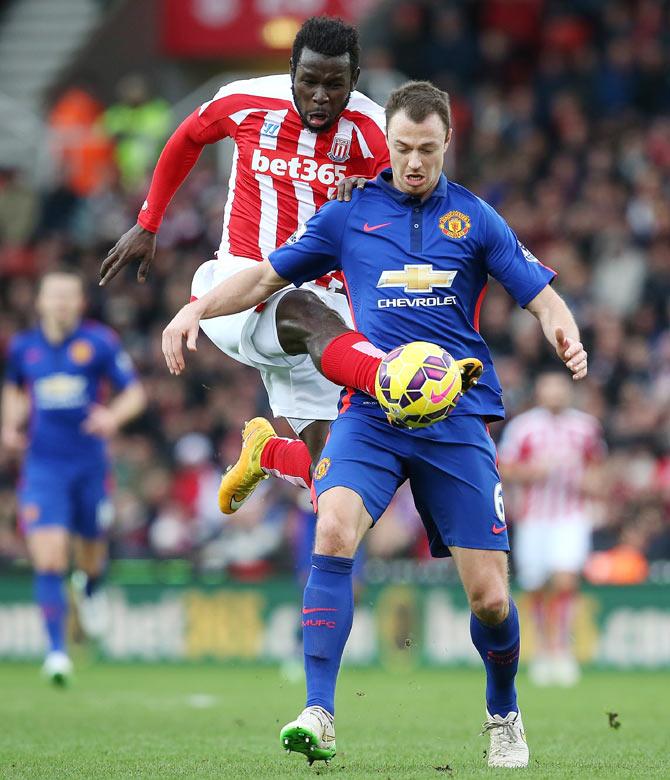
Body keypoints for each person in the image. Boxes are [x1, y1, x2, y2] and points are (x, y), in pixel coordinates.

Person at [162, 80, 589, 768]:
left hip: (455, 421)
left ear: (448, 142)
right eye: (401, 147)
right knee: (332, 528)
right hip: (373, 412)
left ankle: (503, 711)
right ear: (386, 142)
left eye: (426, 148)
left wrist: (565, 332)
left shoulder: (477, 219)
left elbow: (540, 295)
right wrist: (194, 310)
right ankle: (319, 710)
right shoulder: (347, 218)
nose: (413, 161)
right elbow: (265, 278)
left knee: (489, 599)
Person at [99, 16, 398, 515]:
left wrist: (372, 195)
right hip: (239, 292)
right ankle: (389, 378)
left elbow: (404, 206)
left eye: (335, 84)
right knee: (305, 309)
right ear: (291, 71)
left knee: (340, 492)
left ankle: (269, 454)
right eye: (310, 81)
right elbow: (186, 137)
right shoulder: (247, 100)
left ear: (356, 79)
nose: (321, 96)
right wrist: (149, 222)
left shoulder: (375, 130)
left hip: (327, 319)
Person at [1, 269, 146, 684]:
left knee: (89, 554)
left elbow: (134, 393)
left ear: (80, 303)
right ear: (41, 302)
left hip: (89, 466)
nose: (62, 303)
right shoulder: (24, 349)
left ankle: (92, 587)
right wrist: (11, 425)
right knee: (49, 557)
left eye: (69, 296)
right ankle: (56, 653)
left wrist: (111, 416)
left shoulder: (98, 343)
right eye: (54, 296)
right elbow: (13, 389)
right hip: (43, 467)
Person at [498, 371, 605, 686]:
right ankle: (544, 650)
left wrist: (592, 483)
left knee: (565, 579)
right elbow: (506, 468)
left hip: (570, 516)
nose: (555, 394)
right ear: (540, 392)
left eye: (560, 388)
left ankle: (562, 650)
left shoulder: (586, 427)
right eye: (549, 388)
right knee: (536, 586)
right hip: (534, 518)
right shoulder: (524, 427)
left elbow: (598, 469)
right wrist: (533, 472)